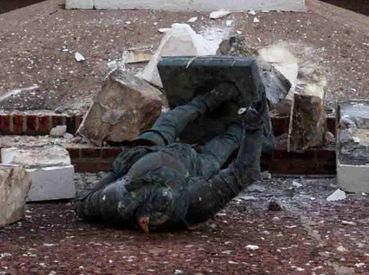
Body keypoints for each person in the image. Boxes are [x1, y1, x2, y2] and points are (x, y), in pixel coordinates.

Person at [74, 83, 268, 232]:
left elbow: (82, 205)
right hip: (194, 165)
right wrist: (253, 127)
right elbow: (244, 172)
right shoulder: (194, 203)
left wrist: (118, 169)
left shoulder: (116, 200)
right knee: (225, 143)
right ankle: (239, 119)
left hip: (146, 154)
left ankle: (208, 100)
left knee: (168, 122)